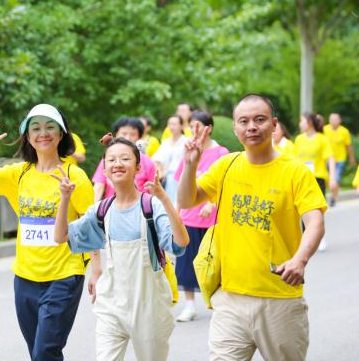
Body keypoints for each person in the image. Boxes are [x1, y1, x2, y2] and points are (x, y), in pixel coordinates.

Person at [178, 94, 326, 361]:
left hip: (279, 298)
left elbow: (315, 221)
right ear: (235, 128)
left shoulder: (295, 172)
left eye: (260, 119)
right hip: (230, 298)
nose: (252, 127)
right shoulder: (226, 165)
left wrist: (299, 260)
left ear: (274, 124)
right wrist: (190, 166)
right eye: (244, 121)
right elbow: (187, 200)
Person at [0, 104, 98, 361]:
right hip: (25, 276)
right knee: (36, 352)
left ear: (61, 135)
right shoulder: (19, 173)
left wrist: (97, 268)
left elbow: (91, 224)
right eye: (35, 128)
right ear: (28, 137)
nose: (43, 133)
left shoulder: (75, 176)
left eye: (50, 127)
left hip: (64, 275)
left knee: (45, 351)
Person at [53, 136, 189, 361]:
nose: (117, 163)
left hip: (149, 307)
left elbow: (181, 242)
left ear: (138, 167)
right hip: (111, 307)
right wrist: (65, 198)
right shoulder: (101, 210)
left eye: (125, 158)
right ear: (104, 169)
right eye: (111, 159)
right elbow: (61, 236)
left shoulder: (151, 205)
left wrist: (164, 198)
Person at [173, 110, 229, 322]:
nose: (194, 130)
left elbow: (225, 185)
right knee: (186, 262)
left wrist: (211, 204)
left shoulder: (221, 153)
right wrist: (176, 215)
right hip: (189, 218)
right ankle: (189, 306)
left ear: (209, 128)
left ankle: (218, 304)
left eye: (198, 125)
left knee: (213, 262)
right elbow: (181, 184)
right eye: (191, 126)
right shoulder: (188, 150)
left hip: (212, 220)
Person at [294, 112, 336, 251]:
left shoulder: (321, 139)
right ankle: (306, 238)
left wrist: (333, 177)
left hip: (317, 177)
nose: (300, 124)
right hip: (301, 178)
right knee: (301, 209)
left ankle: (320, 237)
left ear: (309, 122)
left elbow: (330, 158)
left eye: (302, 121)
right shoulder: (299, 139)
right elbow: (293, 160)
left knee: (316, 209)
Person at [92, 117, 156, 202]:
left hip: (141, 210)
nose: (128, 138)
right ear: (116, 135)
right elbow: (98, 187)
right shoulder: (107, 159)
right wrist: (94, 211)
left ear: (139, 137)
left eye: (133, 134)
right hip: (111, 209)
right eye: (124, 134)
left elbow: (154, 190)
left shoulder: (147, 162)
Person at [152, 115, 187, 205]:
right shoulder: (165, 142)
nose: (171, 127)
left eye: (174, 124)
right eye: (170, 124)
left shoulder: (187, 141)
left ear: (182, 126)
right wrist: (162, 170)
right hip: (167, 179)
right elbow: (157, 159)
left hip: (182, 178)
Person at [323, 113, 356, 206]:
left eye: (336, 119)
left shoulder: (344, 131)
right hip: (327, 158)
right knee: (327, 179)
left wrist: (351, 158)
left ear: (340, 120)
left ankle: (333, 198)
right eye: (332, 119)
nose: (333, 121)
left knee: (336, 179)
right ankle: (326, 195)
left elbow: (348, 146)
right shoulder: (325, 129)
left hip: (340, 159)